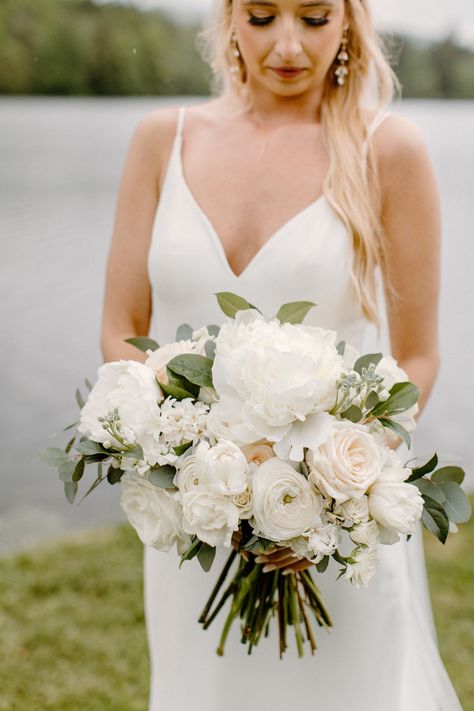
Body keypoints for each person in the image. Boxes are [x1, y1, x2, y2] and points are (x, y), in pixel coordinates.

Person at [100, 0, 463, 708]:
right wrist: (200, 472)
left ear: (350, 22)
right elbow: (122, 329)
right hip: (195, 524)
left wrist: (328, 496)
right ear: (229, 17)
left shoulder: (389, 150)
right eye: (262, 16)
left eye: (315, 17)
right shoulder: (160, 140)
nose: (288, 45)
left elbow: (417, 359)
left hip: (326, 541)